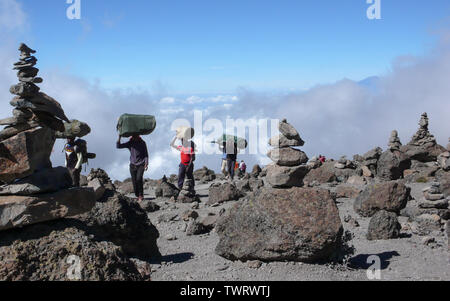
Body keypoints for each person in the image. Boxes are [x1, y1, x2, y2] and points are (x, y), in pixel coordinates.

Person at [117, 135, 148, 201]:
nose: (134, 138)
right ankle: (137, 195)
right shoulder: (130, 143)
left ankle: (140, 195)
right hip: (132, 165)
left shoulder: (142, 143)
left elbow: (146, 154)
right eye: (133, 137)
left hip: (141, 164)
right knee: (134, 182)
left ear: (138, 136)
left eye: (135, 137)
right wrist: (119, 137)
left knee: (139, 179)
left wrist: (146, 164)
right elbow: (118, 146)